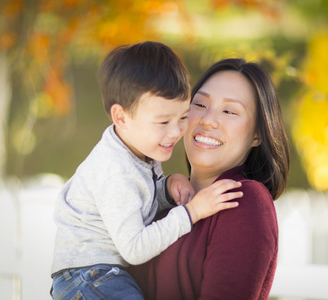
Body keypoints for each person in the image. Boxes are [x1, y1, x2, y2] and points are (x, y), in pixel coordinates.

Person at [50, 42, 241, 300]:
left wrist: (166, 189)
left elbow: (137, 198)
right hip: (89, 277)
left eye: (183, 117)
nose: (175, 132)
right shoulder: (116, 172)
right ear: (122, 118)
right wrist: (192, 212)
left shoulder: (138, 147)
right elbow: (135, 249)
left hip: (99, 275)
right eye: (163, 122)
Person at [129, 58, 290, 300]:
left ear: (257, 134)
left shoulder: (242, 201)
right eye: (200, 104)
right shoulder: (159, 201)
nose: (207, 119)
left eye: (229, 111)